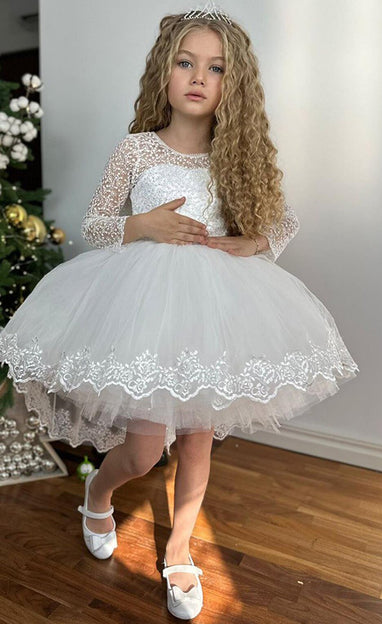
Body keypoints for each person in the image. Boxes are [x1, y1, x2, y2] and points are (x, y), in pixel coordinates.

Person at [0, 2, 359, 620]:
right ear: (164, 73)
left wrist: (253, 243)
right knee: (144, 451)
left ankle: (181, 550)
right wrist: (140, 224)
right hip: (144, 307)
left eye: (216, 68)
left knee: (197, 443)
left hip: (213, 311)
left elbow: (282, 221)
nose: (199, 76)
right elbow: (92, 225)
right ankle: (99, 490)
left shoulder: (235, 157)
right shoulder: (136, 151)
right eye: (187, 62)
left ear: (232, 84)